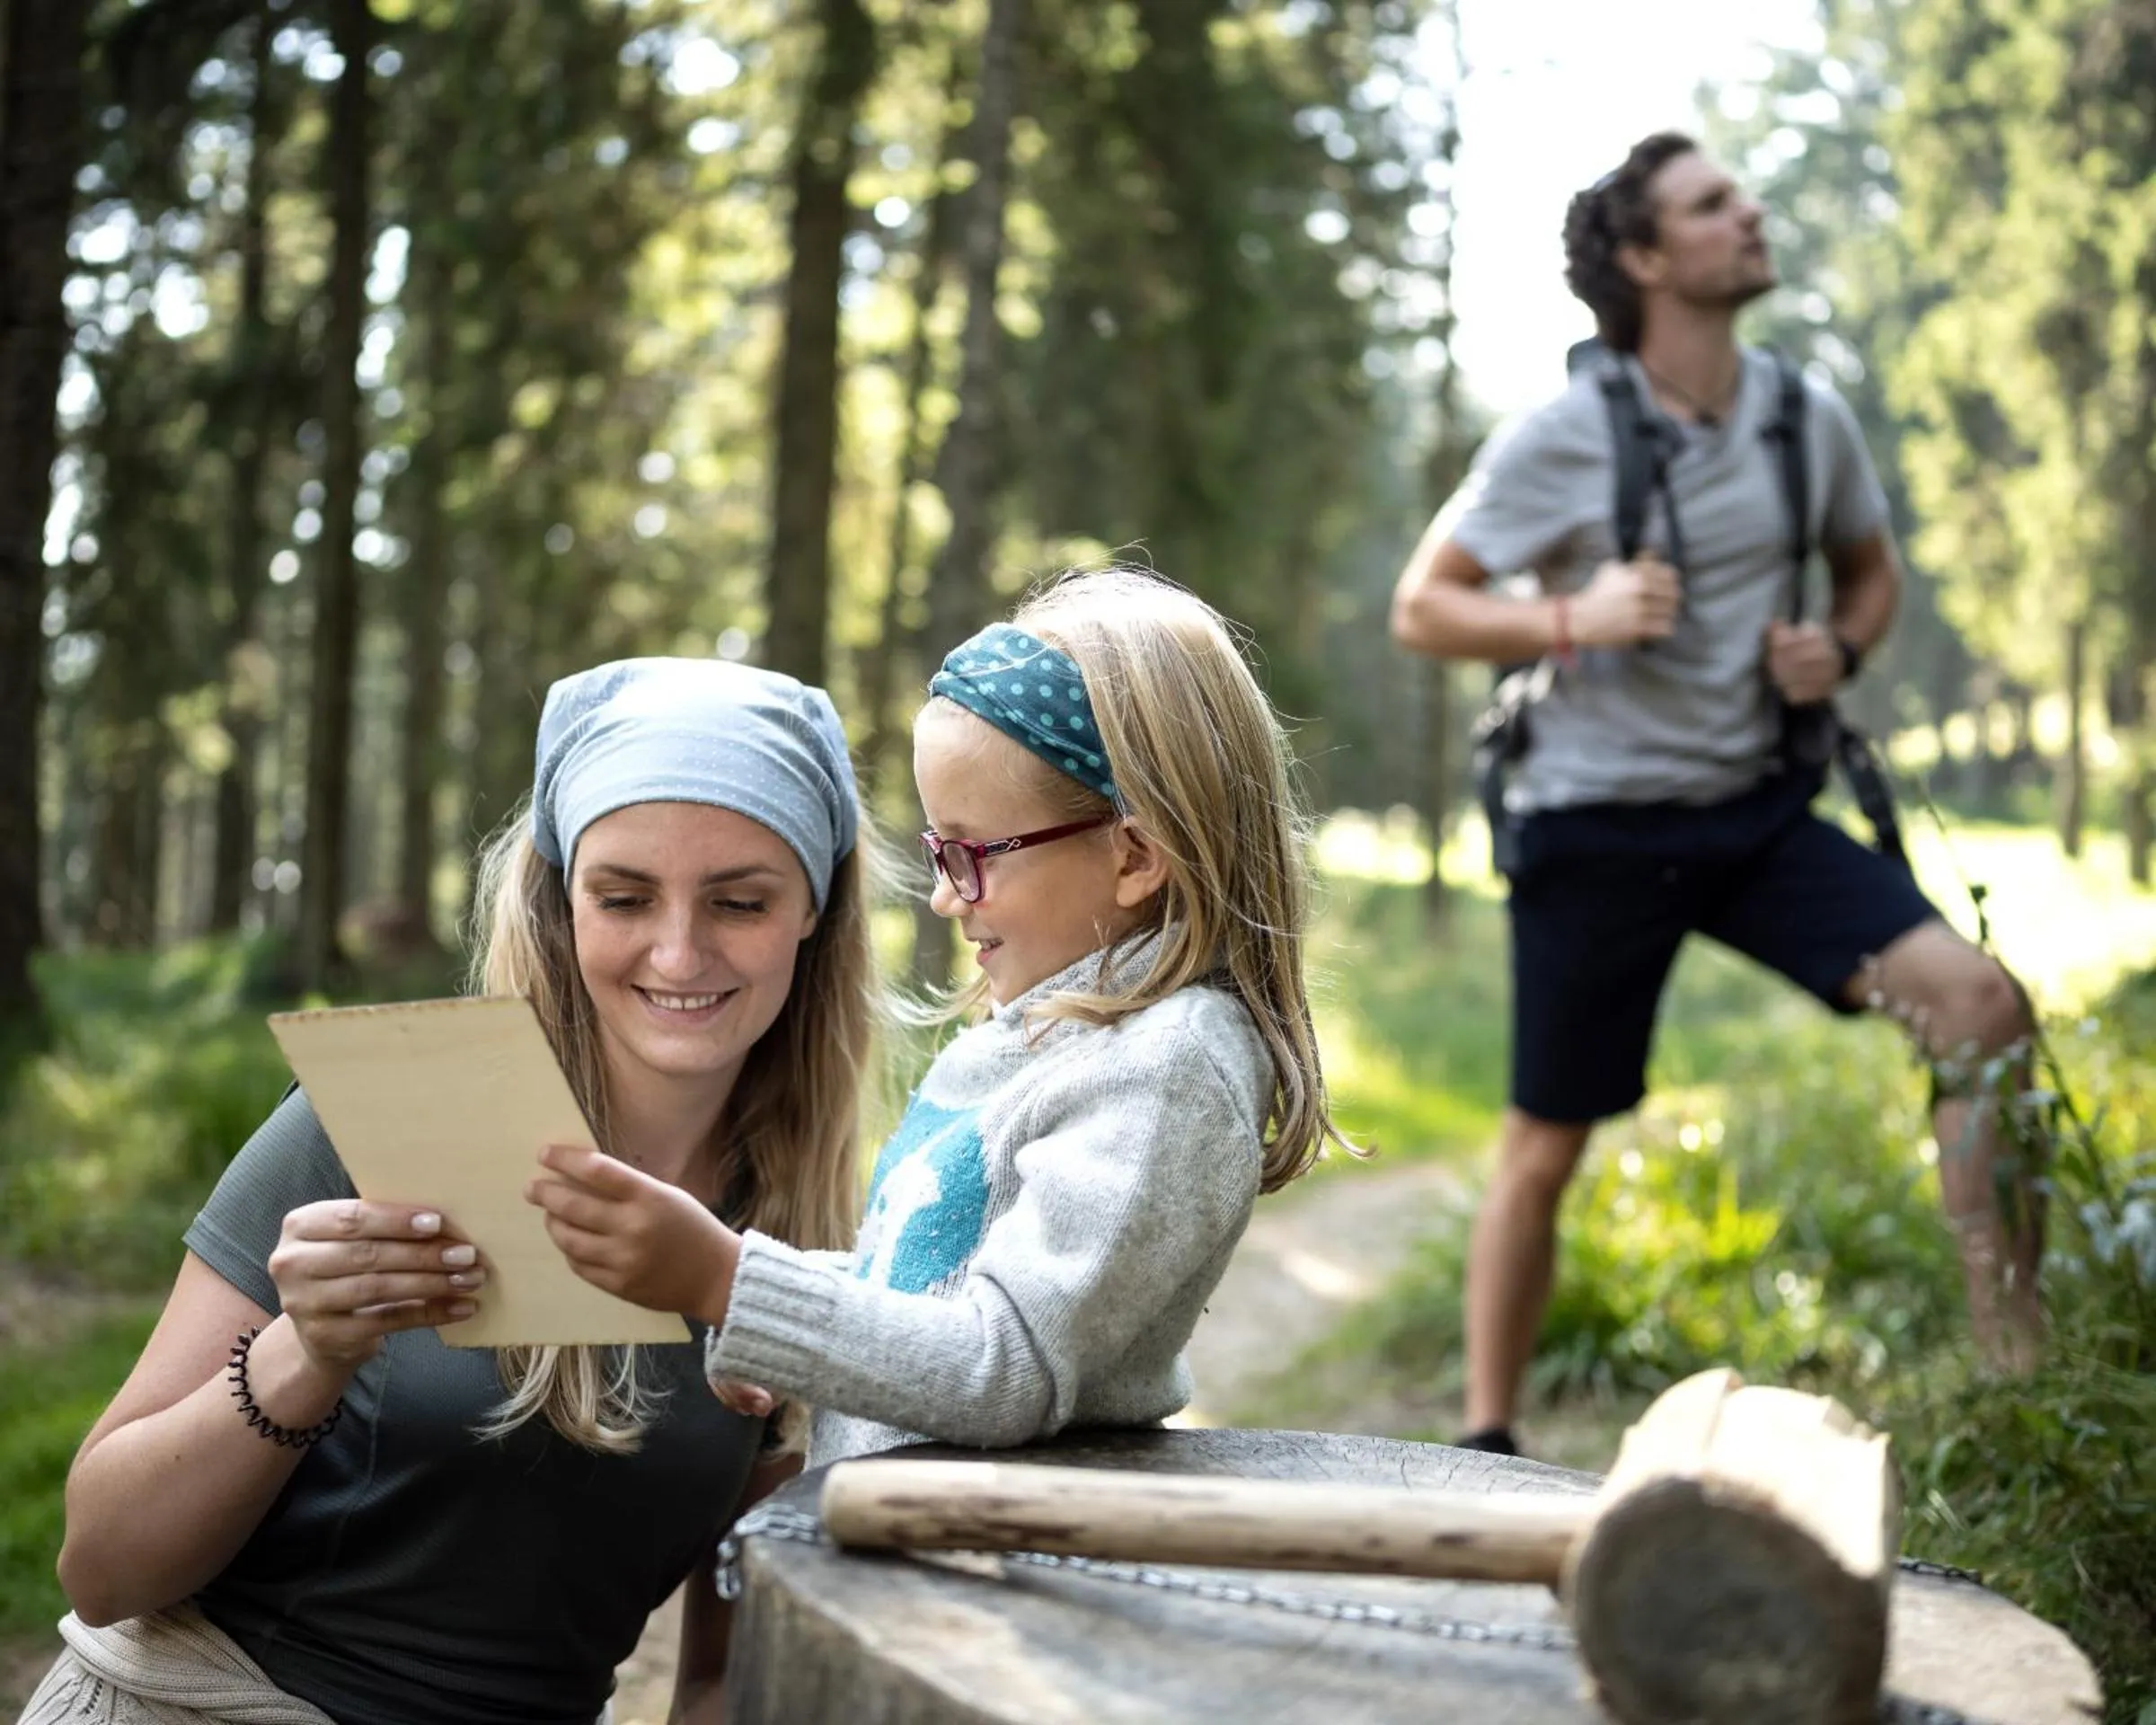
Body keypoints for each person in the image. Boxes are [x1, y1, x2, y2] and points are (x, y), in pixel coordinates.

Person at [33, 658, 875, 1725]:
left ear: (814, 908)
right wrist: (306, 1355)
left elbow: (721, 1677)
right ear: (561, 902)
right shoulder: (392, 1116)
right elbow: (101, 1571)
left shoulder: (806, 1231)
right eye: (622, 896)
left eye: (740, 901)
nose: (678, 950)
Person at [1389, 132, 2044, 1457]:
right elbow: (1424, 606)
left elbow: (1871, 574)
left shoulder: (1808, 419)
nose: (1749, 212)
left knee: (1981, 1006)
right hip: (1594, 827)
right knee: (1544, 1144)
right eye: (1711, 204)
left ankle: (2019, 1377)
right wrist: (1576, 611)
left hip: (1754, 817)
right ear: (1643, 259)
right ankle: (1488, 1434)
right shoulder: (1562, 439)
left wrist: (1840, 649)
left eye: (1738, 196)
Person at [529, 566, 1347, 1465]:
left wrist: (731, 1282)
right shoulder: (1052, 1040)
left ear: (1135, 857)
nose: (944, 901)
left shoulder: (1164, 1069)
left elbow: (1004, 1366)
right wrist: (775, 1317)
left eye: (967, 854)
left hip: (992, 1571)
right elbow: (927, 1291)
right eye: (935, 852)